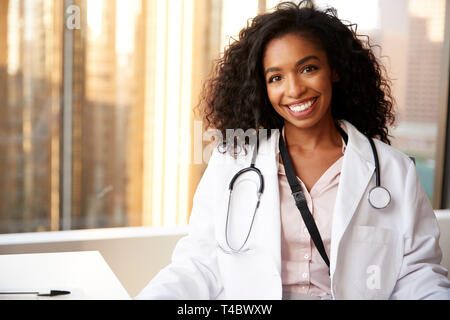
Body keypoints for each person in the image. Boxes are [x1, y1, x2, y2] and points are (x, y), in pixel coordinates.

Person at [136, 1, 450, 300]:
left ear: (334, 70)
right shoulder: (232, 162)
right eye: (276, 77)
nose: (294, 89)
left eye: (308, 68)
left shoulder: (394, 170)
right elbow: (199, 263)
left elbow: (416, 273)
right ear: (264, 87)